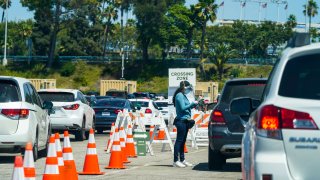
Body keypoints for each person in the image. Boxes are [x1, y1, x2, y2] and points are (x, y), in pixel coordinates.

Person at [172, 81, 198, 168]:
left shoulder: (183, 95)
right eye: (188, 88)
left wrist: (193, 105)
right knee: (179, 141)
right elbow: (183, 108)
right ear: (184, 87)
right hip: (181, 121)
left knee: (183, 141)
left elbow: (186, 107)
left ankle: (182, 159)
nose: (189, 90)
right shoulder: (179, 95)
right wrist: (192, 104)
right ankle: (176, 160)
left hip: (185, 121)